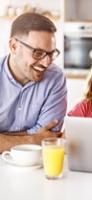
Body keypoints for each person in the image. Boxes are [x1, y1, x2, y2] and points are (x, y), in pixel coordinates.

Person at [0, 13, 67, 153]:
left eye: (51, 54)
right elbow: (39, 139)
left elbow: (49, 136)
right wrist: (32, 139)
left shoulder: (55, 78)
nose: (46, 62)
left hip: (36, 166)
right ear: (13, 46)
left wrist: (4, 139)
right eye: (38, 53)